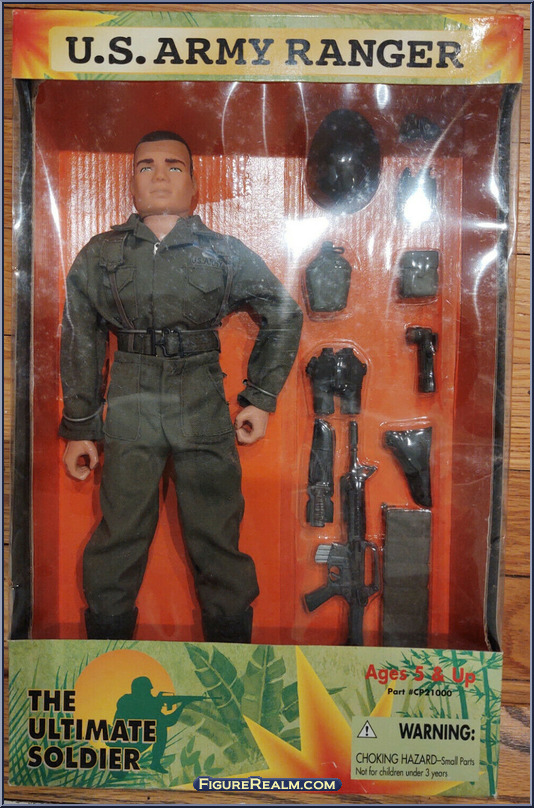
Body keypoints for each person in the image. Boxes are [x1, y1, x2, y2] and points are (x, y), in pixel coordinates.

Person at [59, 130, 302, 642]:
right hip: (131, 395)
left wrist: (260, 398)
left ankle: (231, 658)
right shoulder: (102, 254)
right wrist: (81, 426)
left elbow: (282, 313)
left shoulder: (223, 251)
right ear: (130, 184)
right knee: (120, 531)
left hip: (200, 394)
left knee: (216, 532)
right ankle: (105, 657)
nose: (160, 176)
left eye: (174, 166)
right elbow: (81, 338)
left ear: (194, 184)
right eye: (145, 166)